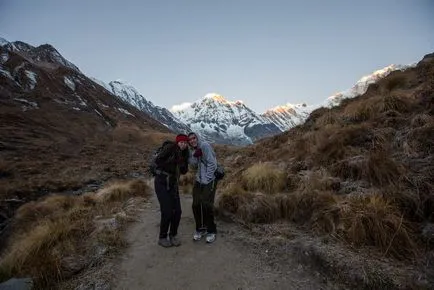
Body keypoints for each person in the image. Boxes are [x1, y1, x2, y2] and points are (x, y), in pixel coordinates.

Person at [153, 134, 189, 247]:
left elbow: (183, 171)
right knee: (167, 211)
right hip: (161, 182)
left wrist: (183, 162)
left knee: (177, 211)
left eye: (185, 142)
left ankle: (173, 235)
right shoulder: (170, 148)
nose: (183, 144)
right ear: (177, 142)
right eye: (181, 142)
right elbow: (158, 160)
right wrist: (173, 162)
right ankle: (162, 237)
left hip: (173, 184)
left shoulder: (184, 153)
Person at [187, 132, 218, 243]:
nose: (192, 140)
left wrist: (207, 179)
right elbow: (194, 165)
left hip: (209, 180)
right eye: (190, 139)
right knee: (195, 204)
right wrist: (193, 155)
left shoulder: (205, 146)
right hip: (199, 180)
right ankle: (200, 228)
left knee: (206, 204)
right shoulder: (194, 150)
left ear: (197, 138)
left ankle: (211, 230)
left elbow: (212, 164)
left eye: (194, 138)